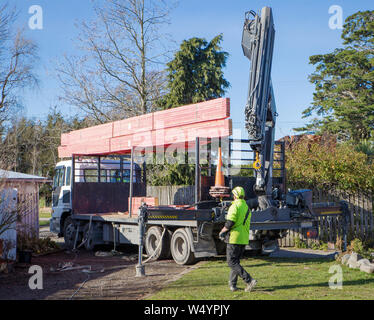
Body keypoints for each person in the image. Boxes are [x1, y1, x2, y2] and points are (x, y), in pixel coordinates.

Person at [219, 186, 257, 292]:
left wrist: (222, 231)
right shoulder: (246, 206)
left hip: (234, 238)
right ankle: (233, 285)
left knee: (231, 262)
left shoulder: (234, 206)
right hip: (243, 238)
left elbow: (230, 222)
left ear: (235, 196)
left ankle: (249, 280)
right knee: (236, 262)